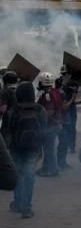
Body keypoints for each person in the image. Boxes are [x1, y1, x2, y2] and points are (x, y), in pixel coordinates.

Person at [8, 81, 47, 218]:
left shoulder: (14, 109)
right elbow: (44, 129)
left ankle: (17, 203)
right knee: (30, 177)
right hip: (33, 148)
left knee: (18, 176)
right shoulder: (40, 109)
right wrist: (41, 147)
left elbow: (8, 130)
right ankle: (26, 208)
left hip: (17, 148)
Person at [35, 72, 63, 177]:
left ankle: (52, 170)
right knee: (49, 148)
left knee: (49, 148)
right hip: (56, 123)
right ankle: (46, 168)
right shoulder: (54, 91)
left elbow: (49, 112)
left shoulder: (47, 95)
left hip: (50, 125)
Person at [55, 65, 79, 154]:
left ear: (69, 74)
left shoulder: (74, 83)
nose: (63, 75)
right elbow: (57, 91)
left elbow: (74, 95)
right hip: (61, 106)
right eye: (62, 74)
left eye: (65, 74)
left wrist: (69, 103)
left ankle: (71, 146)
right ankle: (63, 144)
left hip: (71, 107)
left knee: (72, 126)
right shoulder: (58, 81)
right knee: (63, 126)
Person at [0, 71, 18, 145]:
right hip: (17, 123)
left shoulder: (5, 92)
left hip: (7, 123)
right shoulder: (19, 90)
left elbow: (3, 109)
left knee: (4, 145)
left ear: (4, 81)